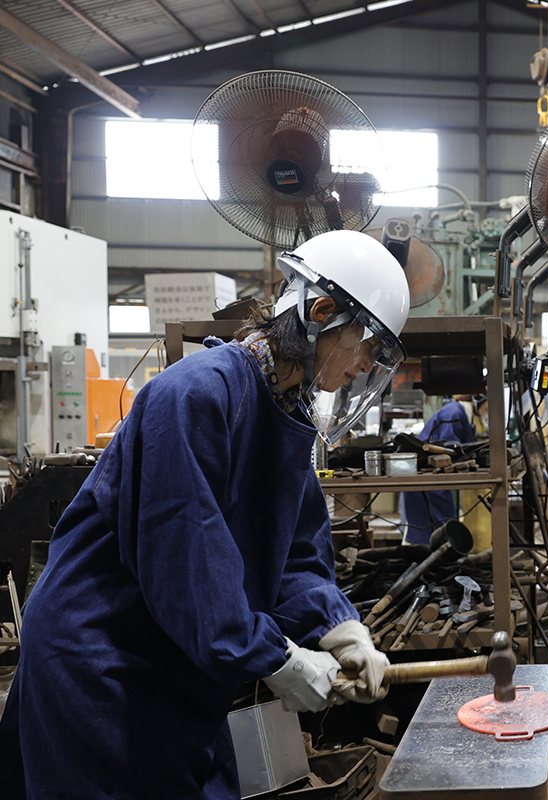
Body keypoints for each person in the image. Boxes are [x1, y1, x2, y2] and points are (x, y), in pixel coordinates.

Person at [0, 230, 409, 799]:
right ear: (320, 312)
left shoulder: (285, 417)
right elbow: (184, 556)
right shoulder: (193, 396)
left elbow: (291, 549)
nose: (365, 364)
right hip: (104, 664)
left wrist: (340, 630)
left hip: (178, 660)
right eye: (367, 343)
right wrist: (277, 657)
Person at [400, 394, 476, 545]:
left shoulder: (462, 413)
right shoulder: (454, 412)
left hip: (431, 473)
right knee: (432, 527)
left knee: (441, 524)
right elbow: (449, 445)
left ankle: (439, 558)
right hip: (426, 472)